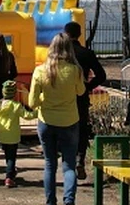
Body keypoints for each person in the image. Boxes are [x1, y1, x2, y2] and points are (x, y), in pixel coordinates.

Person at [28, 33, 86, 205]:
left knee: (49, 164)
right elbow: (81, 91)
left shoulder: (40, 71)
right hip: (69, 121)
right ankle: (69, 200)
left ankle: (50, 201)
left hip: (46, 121)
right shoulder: (75, 70)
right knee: (69, 165)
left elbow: (32, 102)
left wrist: (44, 101)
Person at [64, 21, 107, 177]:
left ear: (65, 33)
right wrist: (88, 86)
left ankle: (67, 159)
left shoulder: (61, 54)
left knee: (65, 127)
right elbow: (101, 75)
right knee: (81, 127)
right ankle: (80, 159)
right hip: (81, 96)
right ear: (79, 35)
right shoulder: (86, 53)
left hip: (62, 96)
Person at [0, 80, 36, 188]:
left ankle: (11, 171)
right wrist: (38, 112)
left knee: (7, 155)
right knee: (12, 157)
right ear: (14, 93)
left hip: (2, 135)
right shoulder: (16, 106)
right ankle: (9, 177)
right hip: (13, 136)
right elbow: (27, 115)